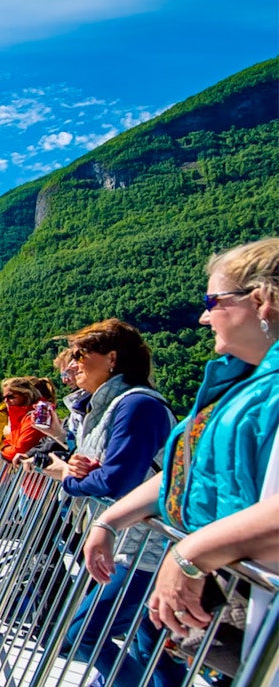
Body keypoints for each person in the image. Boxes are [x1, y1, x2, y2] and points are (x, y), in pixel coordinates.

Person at [87, 238, 279, 669]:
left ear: (262, 300)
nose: (203, 315)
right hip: (238, 597)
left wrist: (190, 555)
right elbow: (187, 470)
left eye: (213, 301)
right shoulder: (243, 386)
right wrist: (110, 519)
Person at [28, 319, 180, 687]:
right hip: (130, 543)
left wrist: (69, 477)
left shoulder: (137, 406)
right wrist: (77, 462)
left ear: (112, 358)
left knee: (83, 633)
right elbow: (103, 465)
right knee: (151, 646)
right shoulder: (113, 406)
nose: (73, 363)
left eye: (81, 354)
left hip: (144, 548)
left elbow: (116, 480)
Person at [0, 377, 48, 463]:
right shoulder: (19, 416)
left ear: (26, 395)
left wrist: (3, 450)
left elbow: (19, 450)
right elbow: (10, 441)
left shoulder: (35, 416)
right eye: (4, 398)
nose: (6, 401)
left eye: (10, 397)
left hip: (33, 473)